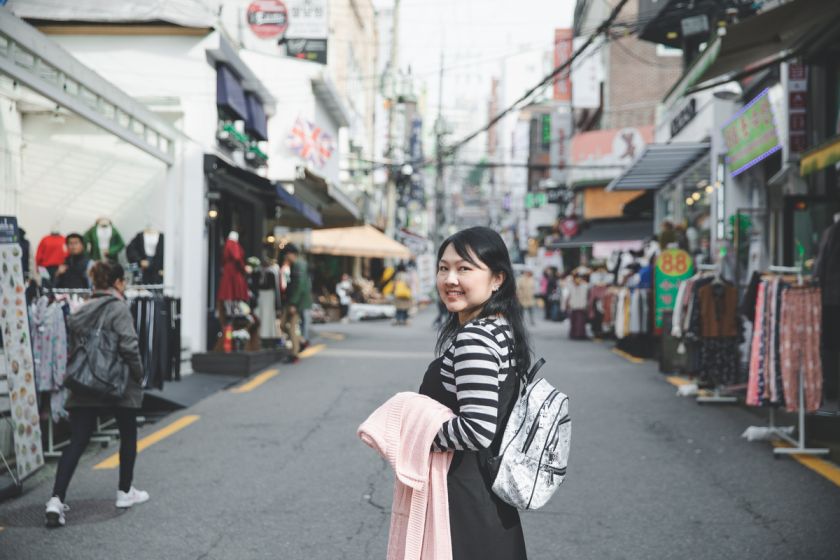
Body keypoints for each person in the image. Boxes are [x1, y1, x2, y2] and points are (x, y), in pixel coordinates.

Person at [418, 226, 531, 559]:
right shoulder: (500, 327)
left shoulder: (475, 339)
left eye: (464, 268)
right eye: (444, 268)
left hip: (463, 497)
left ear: (497, 279)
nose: (450, 279)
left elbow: (477, 429)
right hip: (486, 493)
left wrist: (415, 433)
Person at [45, 262, 147, 528]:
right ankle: (125, 491)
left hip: (85, 381)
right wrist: (139, 372)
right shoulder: (118, 308)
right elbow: (129, 345)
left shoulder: (80, 309)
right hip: (117, 382)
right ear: (117, 283)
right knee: (128, 434)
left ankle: (56, 500)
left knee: (77, 440)